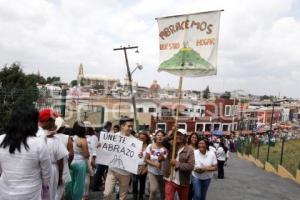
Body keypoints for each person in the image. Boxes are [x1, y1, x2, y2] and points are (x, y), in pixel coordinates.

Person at [0, 106, 51, 200]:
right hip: (31, 194)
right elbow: (47, 173)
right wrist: (44, 184)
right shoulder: (39, 143)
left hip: (5, 192)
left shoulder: (1, 140)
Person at [39, 109, 68, 200]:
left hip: (41, 169)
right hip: (51, 170)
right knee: (50, 194)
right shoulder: (55, 140)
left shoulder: (35, 136)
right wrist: (60, 177)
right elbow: (60, 161)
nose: (54, 123)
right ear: (47, 121)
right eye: (53, 121)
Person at [103, 117, 135, 200]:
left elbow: (137, 158)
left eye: (132, 126)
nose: (131, 128)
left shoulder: (134, 141)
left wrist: (139, 156)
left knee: (122, 197)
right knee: (107, 193)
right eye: (129, 126)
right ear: (122, 126)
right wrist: (101, 147)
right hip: (112, 170)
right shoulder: (113, 137)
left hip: (125, 173)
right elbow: (106, 150)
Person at [163, 129, 195, 200]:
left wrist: (177, 164)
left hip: (183, 181)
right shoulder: (171, 145)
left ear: (185, 137)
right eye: (177, 134)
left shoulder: (189, 150)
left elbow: (191, 166)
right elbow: (163, 141)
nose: (178, 136)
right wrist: (171, 134)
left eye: (181, 135)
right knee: (168, 198)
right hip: (170, 179)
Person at [65, 121, 90, 200]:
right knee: (78, 185)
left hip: (70, 162)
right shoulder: (83, 140)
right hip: (80, 163)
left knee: (70, 183)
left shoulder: (70, 138)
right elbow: (86, 155)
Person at [145, 130, 168, 200]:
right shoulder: (150, 146)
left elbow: (164, 159)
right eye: (158, 135)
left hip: (162, 173)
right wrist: (154, 164)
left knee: (163, 191)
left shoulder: (165, 148)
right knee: (153, 190)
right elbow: (146, 159)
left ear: (164, 137)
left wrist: (161, 159)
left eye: (162, 136)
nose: (160, 137)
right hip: (152, 172)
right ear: (155, 137)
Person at [55, 117, 74, 200]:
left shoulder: (49, 136)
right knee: (61, 191)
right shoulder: (67, 138)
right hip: (63, 166)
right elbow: (71, 154)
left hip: (50, 166)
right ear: (63, 128)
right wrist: (68, 163)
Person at [94, 121, 112, 192]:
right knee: (101, 172)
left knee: (99, 172)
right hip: (104, 156)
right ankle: (98, 186)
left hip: (101, 155)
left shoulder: (100, 132)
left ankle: (97, 186)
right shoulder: (105, 133)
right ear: (109, 126)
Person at [132, 131, 151, 200]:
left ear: (146, 138)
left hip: (144, 166)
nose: (141, 139)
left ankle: (141, 196)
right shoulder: (135, 145)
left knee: (142, 182)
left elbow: (150, 158)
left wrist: (146, 167)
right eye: (140, 138)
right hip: (135, 166)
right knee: (135, 181)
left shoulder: (149, 146)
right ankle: (135, 196)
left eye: (143, 138)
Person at [84, 123, 98, 200]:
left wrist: (93, 160)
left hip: (89, 159)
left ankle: (85, 194)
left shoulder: (93, 137)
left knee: (87, 177)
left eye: (86, 127)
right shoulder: (81, 136)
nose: (85, 128)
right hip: (81, 159)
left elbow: (94, 150)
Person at [187, 132, 199, 199]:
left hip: (196, 170)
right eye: (193, 137)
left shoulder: (198, 148)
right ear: (190, 138)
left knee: (194, 189)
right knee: (188, 188)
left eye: (195, 137)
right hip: (188, 170)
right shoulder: (187, 147)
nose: (194, 139)